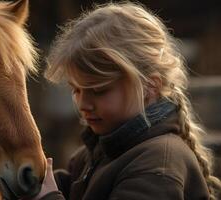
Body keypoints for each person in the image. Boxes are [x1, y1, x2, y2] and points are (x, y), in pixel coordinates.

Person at [33, 2, 221, 200]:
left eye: (98, 90)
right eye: (76, 89)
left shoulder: (158, 168)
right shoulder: (102, 149)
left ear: (150, 87)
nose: (82, 104)